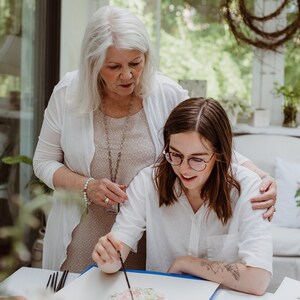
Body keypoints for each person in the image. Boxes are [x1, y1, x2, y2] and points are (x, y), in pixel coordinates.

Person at [33, 6, 276, 273]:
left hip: (149, 241)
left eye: (135, 63)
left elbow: (206, 143)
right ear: (93, 63)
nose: (127, 75)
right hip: (84, 235)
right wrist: (86, 186)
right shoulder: (68, 93)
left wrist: (260, 177)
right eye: (114, 66)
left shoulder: (167, 93)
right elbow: (43, 161)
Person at [92, 98, 273, 296]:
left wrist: (186, 263)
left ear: (219, 154)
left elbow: (258, 280)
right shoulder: (147, 182)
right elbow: (118, 251)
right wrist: (108, 260)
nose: (184, 168)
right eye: (175, 154)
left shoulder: (249, 188)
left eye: (197, 159)